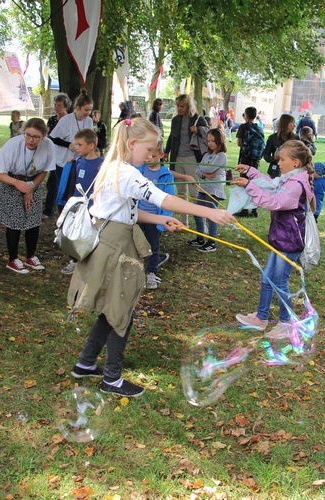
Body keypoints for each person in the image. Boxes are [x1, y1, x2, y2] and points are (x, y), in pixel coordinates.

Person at [67, 117, 236, 397]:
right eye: (148, 149)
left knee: (114, 307)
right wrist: (209, 212)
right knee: (121, 308)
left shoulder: (113, 167)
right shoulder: (127, 173)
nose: (151, 156)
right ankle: (112, 378)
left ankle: (86, 363)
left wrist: (160, 219)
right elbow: (164, 198)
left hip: (109, 240)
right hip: (115, 248)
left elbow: (123, 210)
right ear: (132, 143)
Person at [233, 140, 315, 336]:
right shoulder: (289, 178)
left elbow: (275, 202)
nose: (278, 163)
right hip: (281, 237)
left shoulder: (296, 184)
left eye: (282, 159)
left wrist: (250, 186)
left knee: (279, 280)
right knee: (267, 277)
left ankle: (286, 324)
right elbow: (270, 184)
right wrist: (251, 172)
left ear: (295, 163)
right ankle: (261, 318)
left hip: (290, 241)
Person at [0, 118, 55, 273]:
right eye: (28, 135)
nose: (31, 140)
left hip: (32, 182)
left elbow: (44, 171)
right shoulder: (12, 145)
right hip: (11, 180)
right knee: (15, 221)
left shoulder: (48, 146)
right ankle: (13, 259)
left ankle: (30, 256)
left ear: (43, 137)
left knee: (33, 219)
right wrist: (16, 183)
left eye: (35, 137)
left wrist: (30, 189)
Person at [56, 128, 104, 276]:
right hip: (77, 204)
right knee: (73, 231)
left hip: (92, 206)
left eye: (79, 144)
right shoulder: (77, 162)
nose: (76, 147)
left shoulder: (101, 165)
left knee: (89, 233)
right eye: (76, 144)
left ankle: (89, 261)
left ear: (91, 146)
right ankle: (74, 261)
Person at [45, 89, 93, 217]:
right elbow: (53, 137)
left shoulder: (89, 121)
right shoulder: (66, 120)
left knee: (76, 188)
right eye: (85, 110)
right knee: (64, 188)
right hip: (63, 161)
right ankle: (63, 215)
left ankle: (76, 214)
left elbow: (89, 138)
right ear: (77, 108)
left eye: (90, 110)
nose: (88, 113)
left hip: (79, 160)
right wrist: (69, 145)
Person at [137, 139, 175, 289]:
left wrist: (164, 219)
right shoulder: (140, 170)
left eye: (152, 156)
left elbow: (169, 196)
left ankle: (151, 272)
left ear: (161, 155)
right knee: (136, 243)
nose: (149, 159)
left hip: (156, 218)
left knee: (153, 245)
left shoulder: (166, 175)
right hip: (138, 215)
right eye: (147, 155)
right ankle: (136, 269)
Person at [187, 128, 227, 253]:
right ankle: (200, 238)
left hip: (214, 190)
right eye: (208, 141)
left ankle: (212, 242)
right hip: (203, 188)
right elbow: (198, 170)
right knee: (197, 212)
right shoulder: (206, 155)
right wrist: (204, 173)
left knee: (211, 216)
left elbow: (208, 168)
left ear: (219, 141)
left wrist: (203, 170)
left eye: (213, 141)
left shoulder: (221, 156)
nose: (210, 143)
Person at [165, 94, 209, 204]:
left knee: (194, 191)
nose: (179, 108)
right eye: (178, 106)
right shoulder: (175, 120)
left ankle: (200, 219)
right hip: (178, 157)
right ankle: (185, 221)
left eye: (182, 106)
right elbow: (172, 136)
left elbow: (209, 135)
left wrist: (197, 131)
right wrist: (166, 151)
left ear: (189, 107)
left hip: (192, 158)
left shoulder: (198, 119)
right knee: (181, 192)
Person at [235, 106, 266, 217]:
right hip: (255, 159)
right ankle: (254, 210)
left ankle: (244, 210)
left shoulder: (243, 127)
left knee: (244, 182)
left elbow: (239, 143)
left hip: (245, 158)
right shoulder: (259, 128)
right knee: (254, 183)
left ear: (246, 115)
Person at [263, 114, 298, 179]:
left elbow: (300, 155)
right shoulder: (273, 138)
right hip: (275, 172)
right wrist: (276, 159)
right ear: (286, 123)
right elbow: (266, 155)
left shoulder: (296, 138)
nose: (294, 125)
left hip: (291, 172)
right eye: (292, 123)